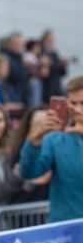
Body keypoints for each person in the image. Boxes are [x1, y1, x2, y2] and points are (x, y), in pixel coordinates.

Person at [20, 75, 83, 222]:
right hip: (64, 230)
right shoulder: (55, 138)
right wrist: (34, 141)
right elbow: (29, 172)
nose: (78, 109)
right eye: (73, 103)